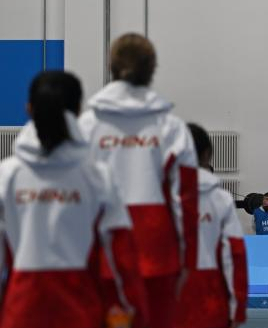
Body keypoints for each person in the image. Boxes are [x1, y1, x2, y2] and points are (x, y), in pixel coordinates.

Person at [0, 70, 148, 328]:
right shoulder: (97, 177)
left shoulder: (7, 175)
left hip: (21, 310)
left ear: (28, 109)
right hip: (80, 310)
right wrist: (133, 312)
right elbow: (120, 257)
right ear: (79, 110)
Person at [78, 33, 199, 328]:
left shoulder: (87, 126)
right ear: (152, 69)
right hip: (156, 251)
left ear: (112, 66)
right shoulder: (170, 127)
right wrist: (189, 259)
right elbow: (185, 199)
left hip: (102, 250)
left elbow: (75, 196)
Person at [175, 123, 248, 328]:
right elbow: (234, 255)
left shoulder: (154, 198)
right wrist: (237, 309)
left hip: (165, 294)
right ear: (207, 154)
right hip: (209, 297)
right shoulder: (221, 200)